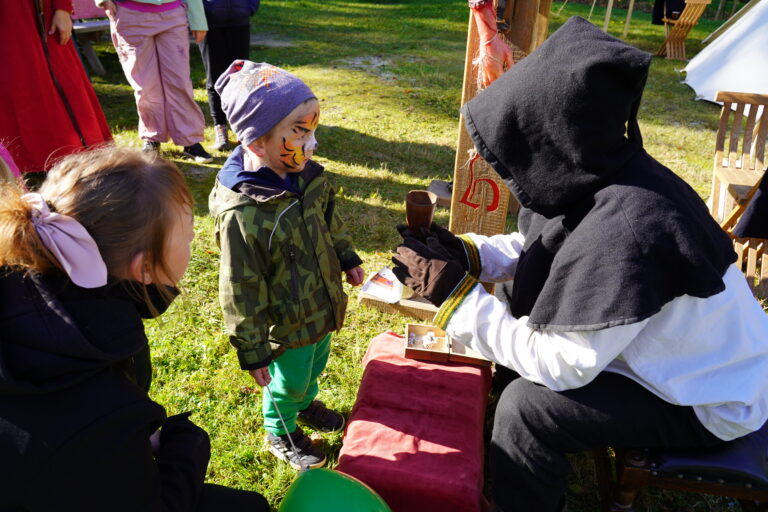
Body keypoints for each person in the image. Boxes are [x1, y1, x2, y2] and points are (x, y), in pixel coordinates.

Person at [391, 17, 768, 512]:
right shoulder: (603, 172)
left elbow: (561, 364)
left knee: (529, 410)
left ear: (553, 138)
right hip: (674, 361)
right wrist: (469, 255)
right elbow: (547, 244)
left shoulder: (629, 225)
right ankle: (511, 462)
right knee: (515, 307)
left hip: (710, 396)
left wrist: (453, 297)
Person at [0, 147, 269, 511]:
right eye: (188, 237)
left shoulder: (23, 283)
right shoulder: (107, 407)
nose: (193, 241)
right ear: (144, 268)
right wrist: (187, 444)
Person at [209, 61, 365, 470]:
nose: (312, 144)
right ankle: (281, 430)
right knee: (288, 380)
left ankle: (305, 403)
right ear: (257, 142)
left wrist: (346, 257)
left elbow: (329, 220)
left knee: (315, 364)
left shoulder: (308, 175)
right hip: (285, 321)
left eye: (313, 130)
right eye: (300, 132)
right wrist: (253, 348)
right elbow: (238, 285)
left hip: (321, 305)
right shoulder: (243, 212)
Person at [0, 0, 112, 175]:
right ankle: (10, 162)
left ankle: (63, 153)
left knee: (44, 81)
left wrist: (62, 9)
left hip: (34, 17)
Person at [97, 0, 214, 163]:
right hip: (130, 14)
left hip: (172, 14)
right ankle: (152, 138)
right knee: (145, 85)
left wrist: (198, 19)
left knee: (179, 81)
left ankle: (190, 141)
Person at [197, 0, 260, 151]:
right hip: (210, 23)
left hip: (239, 20)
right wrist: (204, 12)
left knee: (242, 76)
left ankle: (242, 127)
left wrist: (248, 7)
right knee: (215, 78)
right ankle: (220, 127)